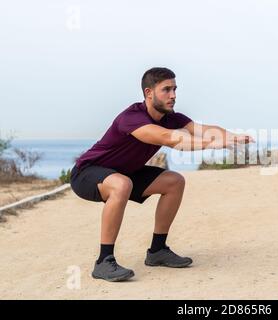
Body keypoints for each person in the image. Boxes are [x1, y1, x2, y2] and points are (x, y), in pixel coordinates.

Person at [70, 67, 254, 282]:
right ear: (149, 93)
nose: (173, 95)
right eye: (166, 90)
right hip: (87, 173)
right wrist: (213, 143)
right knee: (121, 184)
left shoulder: (171, 117)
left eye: (175, 89)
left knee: (174, 182)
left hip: (125, 174)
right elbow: (169, 138)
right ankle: (104, 261)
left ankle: (157, 251)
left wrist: (233, 136)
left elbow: (202, 129)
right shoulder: (132, 118)